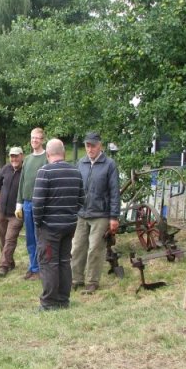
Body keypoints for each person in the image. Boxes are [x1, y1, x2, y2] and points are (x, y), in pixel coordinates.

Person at [33, 139, 85, 311]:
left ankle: (49, 302)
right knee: (64, 262)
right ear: (64, 153)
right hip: (69, 226)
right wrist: (69, 215)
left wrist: (38, 223)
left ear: (48, 154)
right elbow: (81, 200)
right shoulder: (76, 171)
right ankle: (63, 300)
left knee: (49, 263)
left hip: (49, 227)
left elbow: (37, 203)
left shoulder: (44, 172)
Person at [70, 131, 121, 295]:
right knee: (77, 247)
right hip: (82, 213)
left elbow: (114, 192)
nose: (90, 149)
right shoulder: (81, 163)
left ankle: (92, 282)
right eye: (87, 145)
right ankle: (76, 279)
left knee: (95, 249)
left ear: (100, 146)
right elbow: (76, 187)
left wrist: (114, 217)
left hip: (101, 214)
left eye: (93, 145)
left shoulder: (109, 164)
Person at [15, 128, 47, 280]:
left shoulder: (46, 158)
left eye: (37, 138)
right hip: (27, 204)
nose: (34, 140)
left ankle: (40, 267)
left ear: (42, 140)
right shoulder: (27, 159)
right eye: (32, 137)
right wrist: (19, 203)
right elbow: (22, 182)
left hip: (40, 204)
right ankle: (33, 266)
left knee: (39, 236)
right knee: (30, 238)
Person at [0, 146, 24, 278]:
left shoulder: (25, 171)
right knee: (3, 238)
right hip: (2, 211)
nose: (14, 159)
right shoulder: (6, 168)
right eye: (12, 156)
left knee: (10, 239)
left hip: (16, 214)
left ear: (22, 156)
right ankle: (10, 262)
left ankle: (3, 266)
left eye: (16, 156)